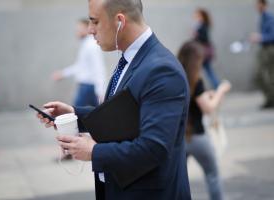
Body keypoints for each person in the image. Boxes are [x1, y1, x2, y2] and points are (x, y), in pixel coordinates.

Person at [38, 0, 191, 199]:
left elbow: (154, 148)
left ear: (119, 21)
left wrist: (94, 152)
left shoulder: (162, 70)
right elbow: (121, 117)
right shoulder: (132, 58)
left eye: (95, 22)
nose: (90, 30)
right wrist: (73, 115)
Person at [178, 41, 231, 200]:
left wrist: (207, 95)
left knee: (179, 179)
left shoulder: (176, 76)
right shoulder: (196, 81)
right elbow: (208, 108)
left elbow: (194, 100)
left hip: (179, 137)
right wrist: (221, 91)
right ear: (196, 60)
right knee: (212, 174)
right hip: (197, 136)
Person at [52, 18, 106, 107]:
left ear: (87, 29)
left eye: (79, 29)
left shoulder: (91, 45)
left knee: (76, 114)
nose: (77, 31)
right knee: (95, 114)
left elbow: (99, 68)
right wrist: (63, 74)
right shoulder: (86, 44)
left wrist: (101, 91)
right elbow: (80, 66)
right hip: (86, 87)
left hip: (88, 88)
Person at [250, 0, 274, 109]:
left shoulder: (269, 18)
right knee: (259, 76)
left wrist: (260, 37)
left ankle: (271, 99)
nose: (257, 7)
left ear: (264, 5)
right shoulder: (263, 17)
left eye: (259, 4)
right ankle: (270, 98)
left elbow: (272, 35)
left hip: (269, 49)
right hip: (264, 49)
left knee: (270, 76)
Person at [193, 8, 220, 89]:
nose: (195, 17)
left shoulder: (202, 26)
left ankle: (217, 86)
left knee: (200, 70)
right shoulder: (202, 25)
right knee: (207, 71)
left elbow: (204, 39)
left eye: (197, 15)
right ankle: (217, 86)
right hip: (204, 52)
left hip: (203, 52)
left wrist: (196, 35)